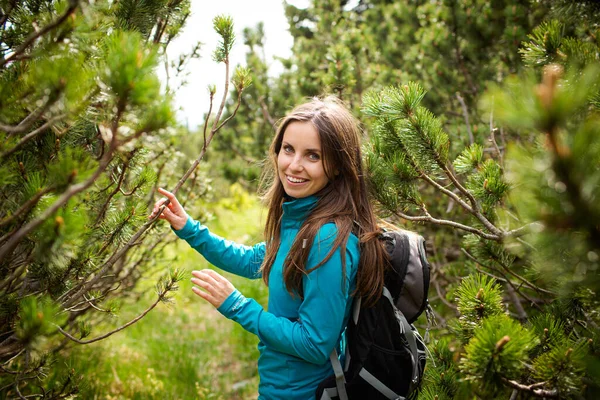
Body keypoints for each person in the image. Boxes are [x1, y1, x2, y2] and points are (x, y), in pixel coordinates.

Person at [150, 97, 388, 399]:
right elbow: (254, 260)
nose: (293, 165)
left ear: (338, 167)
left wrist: (238, 306)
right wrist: (188, 227)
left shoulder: (328, 238)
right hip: (280, 388)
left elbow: (315, 344)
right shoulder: (303, 220)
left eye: (313, 156)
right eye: (288, 149)